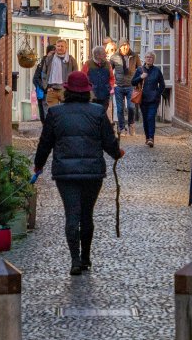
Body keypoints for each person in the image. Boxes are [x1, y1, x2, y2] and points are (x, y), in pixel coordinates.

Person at [33, 70, 124, 275]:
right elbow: (109, 143)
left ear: (67, 91)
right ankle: (86, 257)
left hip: (65, 174)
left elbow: (45, 143)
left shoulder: (55, 113)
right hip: (92, 173)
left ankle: (75, 259)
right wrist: (117, 153)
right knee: (87, 215)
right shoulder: (98, 112)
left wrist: (38, 166)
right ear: (87, 91)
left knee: (71, 215)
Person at [132, 52, 166, 147]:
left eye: (151, 57)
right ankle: (147, 137)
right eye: (147, 57)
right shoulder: (140, 70)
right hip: (143, 99)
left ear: (153, 59)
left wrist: (157, 93)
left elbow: (162, 85)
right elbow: (133, 82)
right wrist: (140, 77)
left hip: (153, 99)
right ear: (144, 59)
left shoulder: (157, 70)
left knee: (151, 117)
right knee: (146, 119)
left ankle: (151, 138)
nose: (149, 59)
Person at [34, 38, 78, 110]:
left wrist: (71, 88)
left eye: (62, 46)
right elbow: (44, 74)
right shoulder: (49, 59)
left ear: (66, 48)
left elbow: (75, 74)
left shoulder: (71, 60)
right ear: (56, 47)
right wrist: (46, 87)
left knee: (66, 112)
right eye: (58, 46)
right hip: (52, 90)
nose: (60, 48)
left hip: (65, 90)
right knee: (52, 113)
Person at [109, 39, 136, 137]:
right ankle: (121, 127)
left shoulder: (134, 56)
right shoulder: (114, 57)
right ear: (119, 47)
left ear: (129, 46)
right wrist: (112, 83)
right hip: (119, 86)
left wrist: (138, 81)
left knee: (131, 107)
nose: (124, 47)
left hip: (130, 86)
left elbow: (140, 69)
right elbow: (109, 71)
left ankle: (131, 124)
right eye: (122, 46)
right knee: (120, 109)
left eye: (126, 45)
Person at [83, 45, 114, 110]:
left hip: (105, 94)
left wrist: (110, 87)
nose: (106, 55)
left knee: (103, 113)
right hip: (92, 95)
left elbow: (111, 77)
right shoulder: (88, 64)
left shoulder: (108, 64)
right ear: (97, 55)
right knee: (93, 114)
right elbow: (83, 78)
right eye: (104, 54)